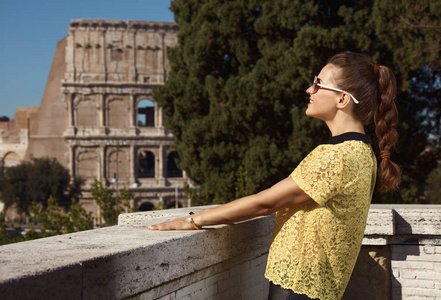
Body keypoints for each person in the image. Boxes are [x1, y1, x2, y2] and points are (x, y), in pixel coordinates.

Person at [148, 51, 401, 300]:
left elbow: (265, 203)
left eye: (318, 84)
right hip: (317, 285)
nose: (309, 90)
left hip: (298, 285)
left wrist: (195, 220)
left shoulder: (337, 156)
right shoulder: (363, 152)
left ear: (342, 99)